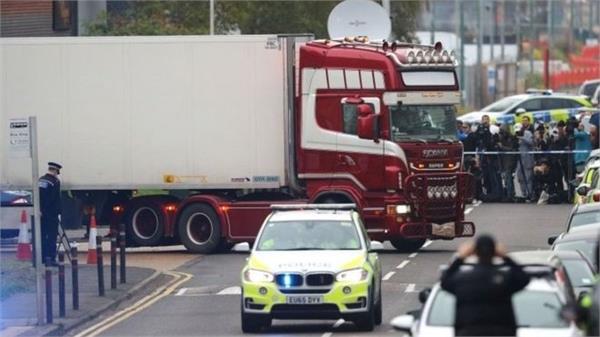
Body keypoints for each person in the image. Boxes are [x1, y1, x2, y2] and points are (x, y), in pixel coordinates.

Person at [440, 235, 530, 336]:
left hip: (469, 332)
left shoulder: (463, 279)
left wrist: (460, 258)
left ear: (475, 253)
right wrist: (506, 257)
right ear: (495, 253)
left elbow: (445, 281)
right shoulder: (504, 279)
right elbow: (524, 278)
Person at [38, 162, 62, 266]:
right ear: (55, 171)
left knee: (42, 235)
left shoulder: (40, 180)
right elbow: (53, 198)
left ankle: (42, 257)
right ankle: (51, 258)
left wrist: (41, 210)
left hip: (41, 213)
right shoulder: (55, 182)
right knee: (51, 236)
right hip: (51, 214)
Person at [515, 123, 535, 201]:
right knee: (520, 177)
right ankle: (524, 194)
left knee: (528, 177)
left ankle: (529, 194)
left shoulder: (528, 133)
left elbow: (531, 143)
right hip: (519, 159)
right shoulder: (515, 134)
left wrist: (522, 138)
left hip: (527, 158)